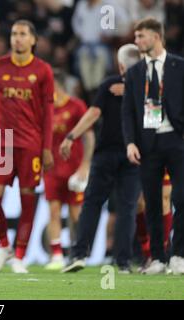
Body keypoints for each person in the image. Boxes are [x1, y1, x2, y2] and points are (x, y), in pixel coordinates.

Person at [0, 20, 55, 274]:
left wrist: (47, 147)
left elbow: (48, 112)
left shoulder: (43, 70)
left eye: (22, 34)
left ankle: (20, 255)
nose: (17, 38)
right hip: (2, 142)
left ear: (33, 40)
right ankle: (4, 245)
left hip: (31, 143)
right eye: (13, 34)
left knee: (27, 200)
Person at [61, 44, 142, 274]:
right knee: (127, 208)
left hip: (107, 153)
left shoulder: (110, 85)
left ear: (121, 65)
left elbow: (94, 114)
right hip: (134, 155)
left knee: (92, 204)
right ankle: (124, 261)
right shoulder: (149, 87)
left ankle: (79, 254)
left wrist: (71, 136)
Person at [122, 17, 184, 275]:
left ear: (156, 37)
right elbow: (127, 112)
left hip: (177, 140)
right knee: (152, 202)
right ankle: (158, 257)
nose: (136, 42)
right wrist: (130, 143)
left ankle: (178, 254)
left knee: (181, 199)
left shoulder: (179, 66)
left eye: (140, 36)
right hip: (147, 144)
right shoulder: (135, 72)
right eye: (135, 37)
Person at [44, 70, 94, 271]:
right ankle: (56, 255)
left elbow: (88, 136)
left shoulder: (76, 106)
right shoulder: (45, 108)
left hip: (74, 168)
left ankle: (77, 253)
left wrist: (85, 164)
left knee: (76, 215)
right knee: (53, 212)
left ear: (58, 85)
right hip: (52, 168)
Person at [135, 171, 173, 272]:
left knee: (164, 200)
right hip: (146, 158)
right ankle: (147, 252)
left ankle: (160, 257)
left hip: (169, 160)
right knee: (139, 203)